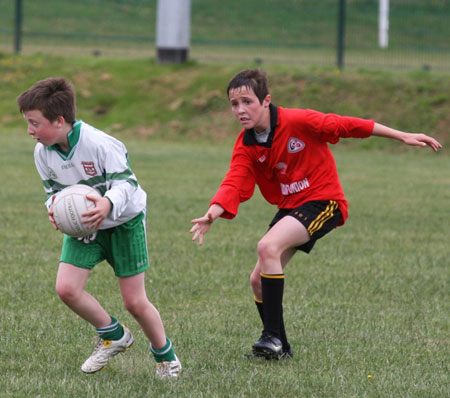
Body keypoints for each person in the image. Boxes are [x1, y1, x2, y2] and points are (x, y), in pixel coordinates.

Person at [190, 68, 442, 360]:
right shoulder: (246, 144)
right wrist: (213, 211)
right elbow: (235, 179)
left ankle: (271, 337)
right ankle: (280, 346)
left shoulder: (297, 120)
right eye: (234, 104)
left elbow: (345, 125)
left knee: (267, 246)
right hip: (292, 207)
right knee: (257, 280)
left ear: (266, 101)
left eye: (247, 102)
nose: (240, 110)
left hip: (324, 201)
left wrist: (402, 135)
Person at [17, 77, 182, 378]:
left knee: (134, 301)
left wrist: (107, 204)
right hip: (84, 228)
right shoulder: (43, 153)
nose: (30, 131)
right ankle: (114, 334)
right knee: (67, 289)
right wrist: (53, 209)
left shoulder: (100, 143)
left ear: (59, 120)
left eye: (34, 123)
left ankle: (166, 357)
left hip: (123, 222)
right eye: (27, 123)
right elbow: (51, 192)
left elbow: (127, 183)